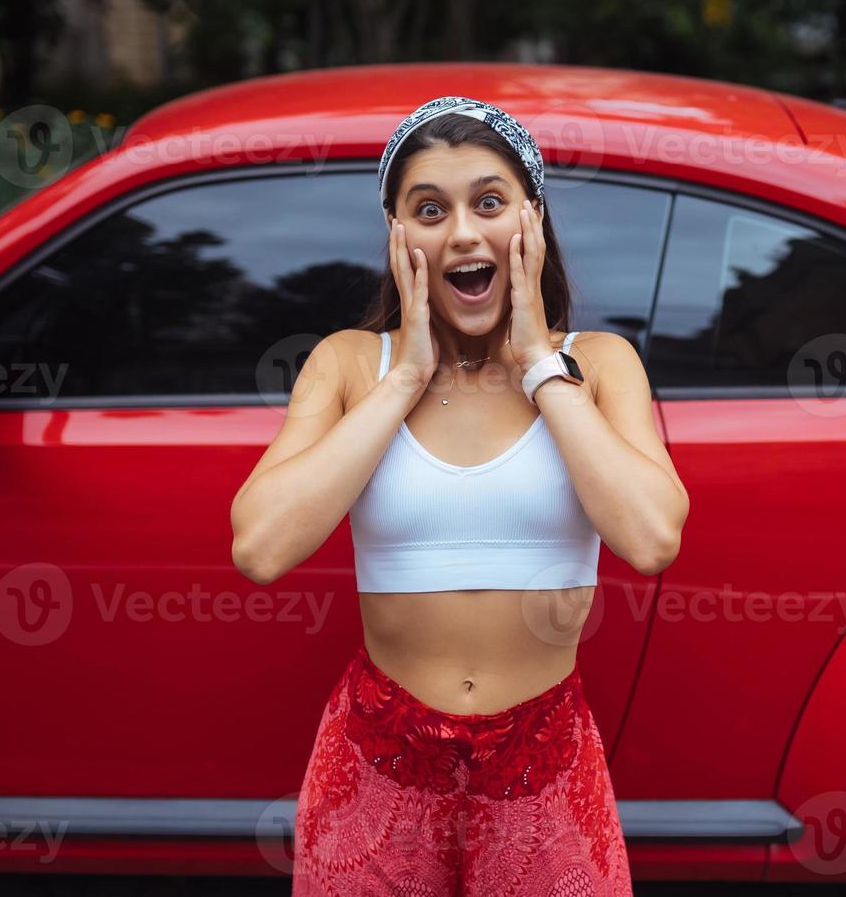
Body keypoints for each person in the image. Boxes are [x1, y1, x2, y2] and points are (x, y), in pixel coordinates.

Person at [230, 95, 688, 896]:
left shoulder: (599, 363)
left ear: (531, 220)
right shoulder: (347, 364)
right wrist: (403, 376)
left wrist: (540, 363)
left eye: (489, 202)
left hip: (544, 767)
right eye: (429, 210)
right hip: (377, 762)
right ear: (396, 233)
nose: (464, 234)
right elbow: (261, 548)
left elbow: (650, 538)